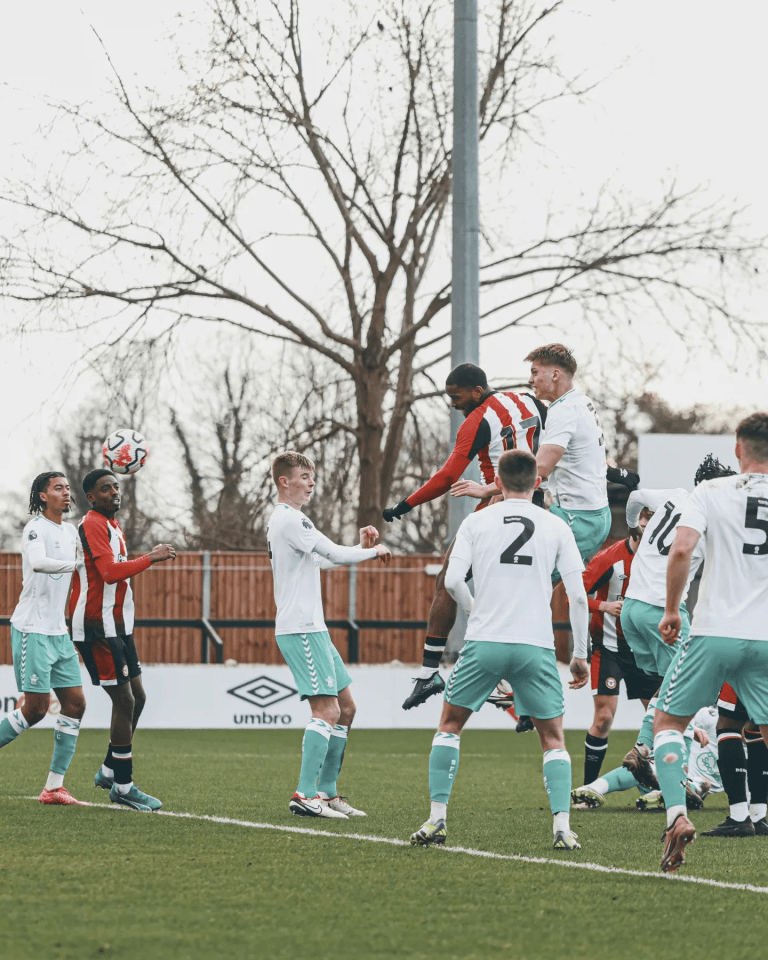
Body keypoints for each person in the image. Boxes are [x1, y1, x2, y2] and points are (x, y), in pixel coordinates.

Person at [408, 449, 590, 850]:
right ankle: (562, 828)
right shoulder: (556, 525)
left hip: (485, 640)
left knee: (450, 725)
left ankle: (436, 819)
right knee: (553, 739)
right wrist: (580, 655)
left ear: (499, 485)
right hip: (535, 645)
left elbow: (453, 582)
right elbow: (577, 596)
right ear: (537, 483)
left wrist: (477, 612)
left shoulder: (477, 521)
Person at [382, 362, 547, 711]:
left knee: (448, 582)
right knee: (525, 592)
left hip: (497, 506)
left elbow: (446, 477)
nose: (453, 404)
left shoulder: (478, 420)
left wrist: (403, 505)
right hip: (541, 508)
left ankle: (433, 673)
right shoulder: (530, 401)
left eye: (456, 397)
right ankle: (523, 689)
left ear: (477, 390)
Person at [654, 413, 768, 873]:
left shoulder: (712, 490)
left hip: (717, 629)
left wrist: (670, 608)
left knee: (667, 721)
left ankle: (676, 816)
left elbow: (682, 549)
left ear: (737, 449)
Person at [268, 450, 391, 819]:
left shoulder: (290, 521)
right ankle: (305, 795)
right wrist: (373, 552)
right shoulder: (291, 520)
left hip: (313, 630)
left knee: (347, 708)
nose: (311, 483)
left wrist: (360, 549)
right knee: (327, 710)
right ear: (283, 481)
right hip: (301, 628)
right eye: (304, 476)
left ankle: (327, 792)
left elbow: (325, 558)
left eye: (312, 476)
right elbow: (334, 554)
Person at [620, 455, 734, 791]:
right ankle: (644, 748)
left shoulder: (673, 495)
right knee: (678, 689)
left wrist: (633, 527)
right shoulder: (712, 518)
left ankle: (666, 769)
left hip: (631, 609)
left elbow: (634, 497)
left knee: (666, 687)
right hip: (662, 612)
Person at [70, 469, 176, 812]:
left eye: (116, 486)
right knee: (126, 701)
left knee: (138, 698)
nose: (114, 491)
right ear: (92, 497)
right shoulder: (92, 524)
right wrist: (151, 557)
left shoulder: (113, 525)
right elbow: (109, 573)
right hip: (96, 625)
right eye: (105, 488)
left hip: (118, 624)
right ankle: (123, 787)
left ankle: (108, 770)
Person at [0, 472, 87, 805]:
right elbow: (37, 563)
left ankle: (53, 787)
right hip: (32, 629)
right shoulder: (35, 528)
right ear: (41, 495)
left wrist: (136, 561)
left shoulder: (69, 531)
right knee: (34, 710)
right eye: (57, 488)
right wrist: (77, 565)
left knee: (76, 703)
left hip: (59, 633)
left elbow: (97, 564)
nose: (65, 493)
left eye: (67, 488)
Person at [574, 508, 658, 790]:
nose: (646, 524)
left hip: (645, 652)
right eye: (643, 518)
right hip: (608, 649)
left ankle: (654, 788)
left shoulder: (662, 559)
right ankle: (587, 789)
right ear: (634, 522)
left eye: (653, 519)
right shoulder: (610, 558)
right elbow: (574, 595)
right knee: (604, 717)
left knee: (659, 720)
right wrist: (605, 606)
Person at [524, 344, 613, 564]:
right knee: (569, 585)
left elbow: (540, 470)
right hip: (593, 513)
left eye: (535, 372)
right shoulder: (581, 401)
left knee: (532, 581)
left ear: (555, 374)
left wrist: (489, 488)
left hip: (578, 519)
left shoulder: (563, 409)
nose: (530, 380)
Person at [698, 683, 768, 837]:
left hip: (747, 662)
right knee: (759, 724)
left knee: (728, 724)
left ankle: (739, 817)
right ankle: (758, 816)